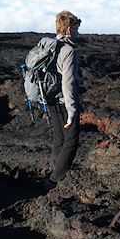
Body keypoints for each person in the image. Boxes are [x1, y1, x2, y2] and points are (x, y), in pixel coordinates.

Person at [47, 10, 82, 183]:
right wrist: (72, 110)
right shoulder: (68, 51)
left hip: (50, 100)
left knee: (60, 138)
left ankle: (55, 169)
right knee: (71, 141)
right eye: (75, 28)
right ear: (68, 29)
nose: (77, 32)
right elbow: (68, 83)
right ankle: (55, 179)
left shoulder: (50, 47)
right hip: (63, 101)